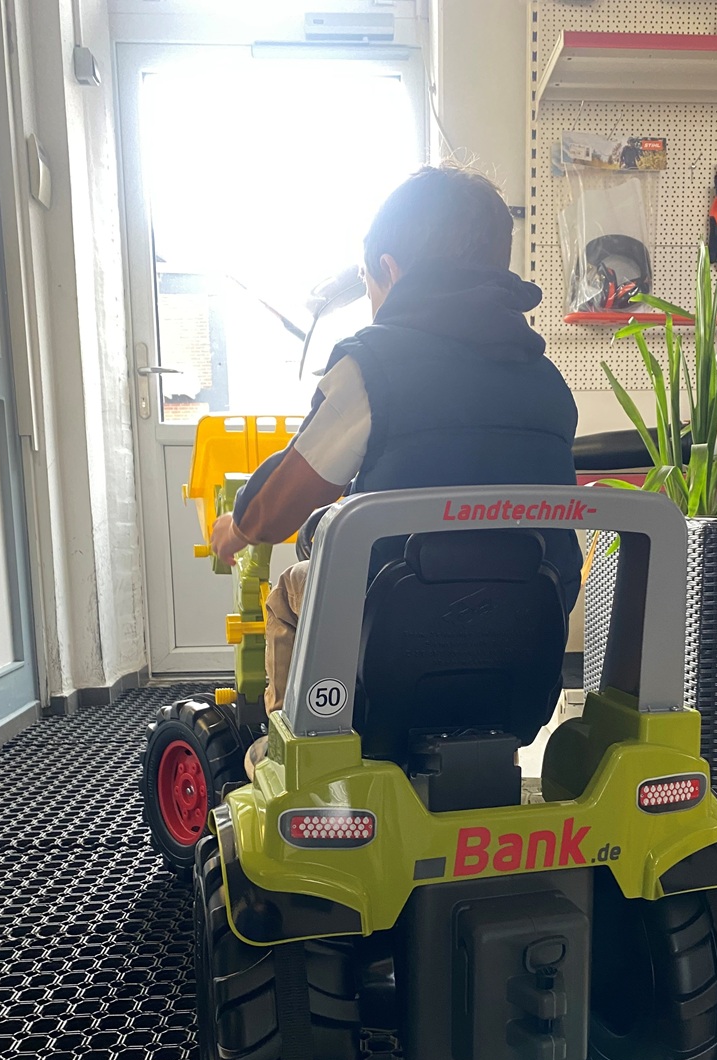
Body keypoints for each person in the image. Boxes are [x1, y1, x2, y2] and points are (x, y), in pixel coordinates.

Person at [209, 163, 582, 763]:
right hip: (523, 646)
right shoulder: (547, 381)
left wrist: (237, 526)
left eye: (368, 284)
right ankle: (480, 754)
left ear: (390, 269)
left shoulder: (372, 367)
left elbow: (279, 508)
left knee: (288, 592)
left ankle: (293, 755)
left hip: (392, 635)